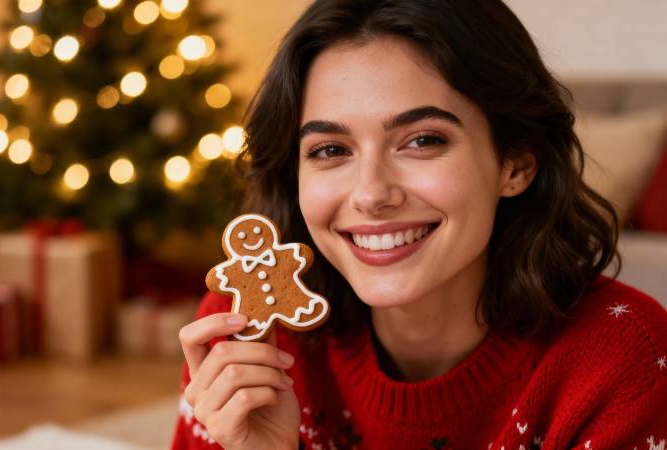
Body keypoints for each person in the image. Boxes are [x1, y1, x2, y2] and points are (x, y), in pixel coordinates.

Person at [170, 0, 667, 448]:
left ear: (515, 164)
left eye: (423, 141)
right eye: (329, 150)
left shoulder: (626, 365)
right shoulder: (248, 335)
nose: (370, 194)